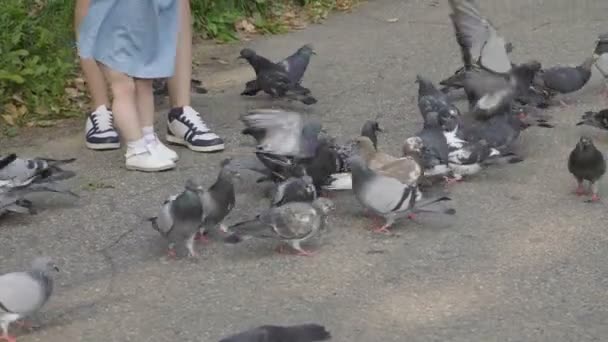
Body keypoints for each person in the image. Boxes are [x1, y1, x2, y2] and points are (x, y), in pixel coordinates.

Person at [74, 0, 224, 167]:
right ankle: (136, 149)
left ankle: (148, 139)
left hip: (132, 31)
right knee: (123, 88)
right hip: (111, 36)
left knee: (144, 83)